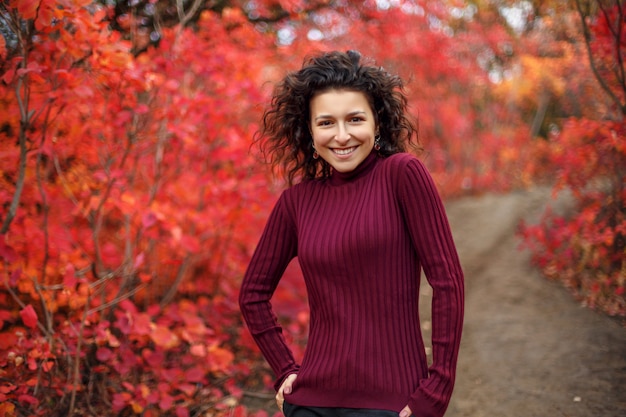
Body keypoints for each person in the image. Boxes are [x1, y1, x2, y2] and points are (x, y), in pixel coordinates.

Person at [239, 50, 464, 417]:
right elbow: (252, 295)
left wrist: (437, 388)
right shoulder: (297, 202)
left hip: (392, 405)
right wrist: (285, 369)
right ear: (309, 131)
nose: (342, 135)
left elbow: (447, 282)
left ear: (377, 124)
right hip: (311, 403)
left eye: (355, 119)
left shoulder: (402, 175)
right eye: (326, 123)